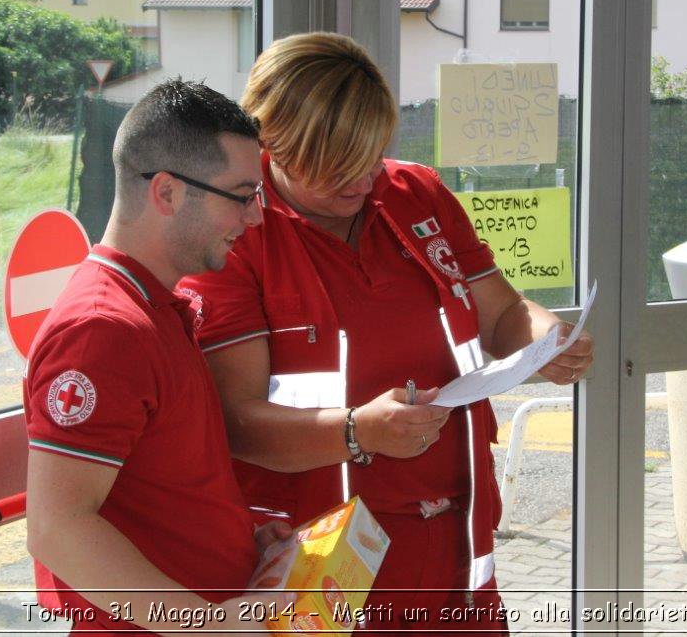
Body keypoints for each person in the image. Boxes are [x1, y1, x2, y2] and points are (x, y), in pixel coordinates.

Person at [178, 33, 594, 633]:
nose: (364, 180)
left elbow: (501, 313)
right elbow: (235, 423)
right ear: (277, 148)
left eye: (372, 157)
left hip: (456, 565)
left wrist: (545, 338)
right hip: (323, 576)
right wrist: (357, 432)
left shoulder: (416, 192)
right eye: (339, 168)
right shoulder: (239, 229)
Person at [25, 79, 292, 634]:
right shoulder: (103, 329)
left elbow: (154, 487)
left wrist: (241, 534)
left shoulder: (152, 305)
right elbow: (58, 526)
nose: (256, 219)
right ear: (167, 192)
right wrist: (211, 628)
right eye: (242, 196)